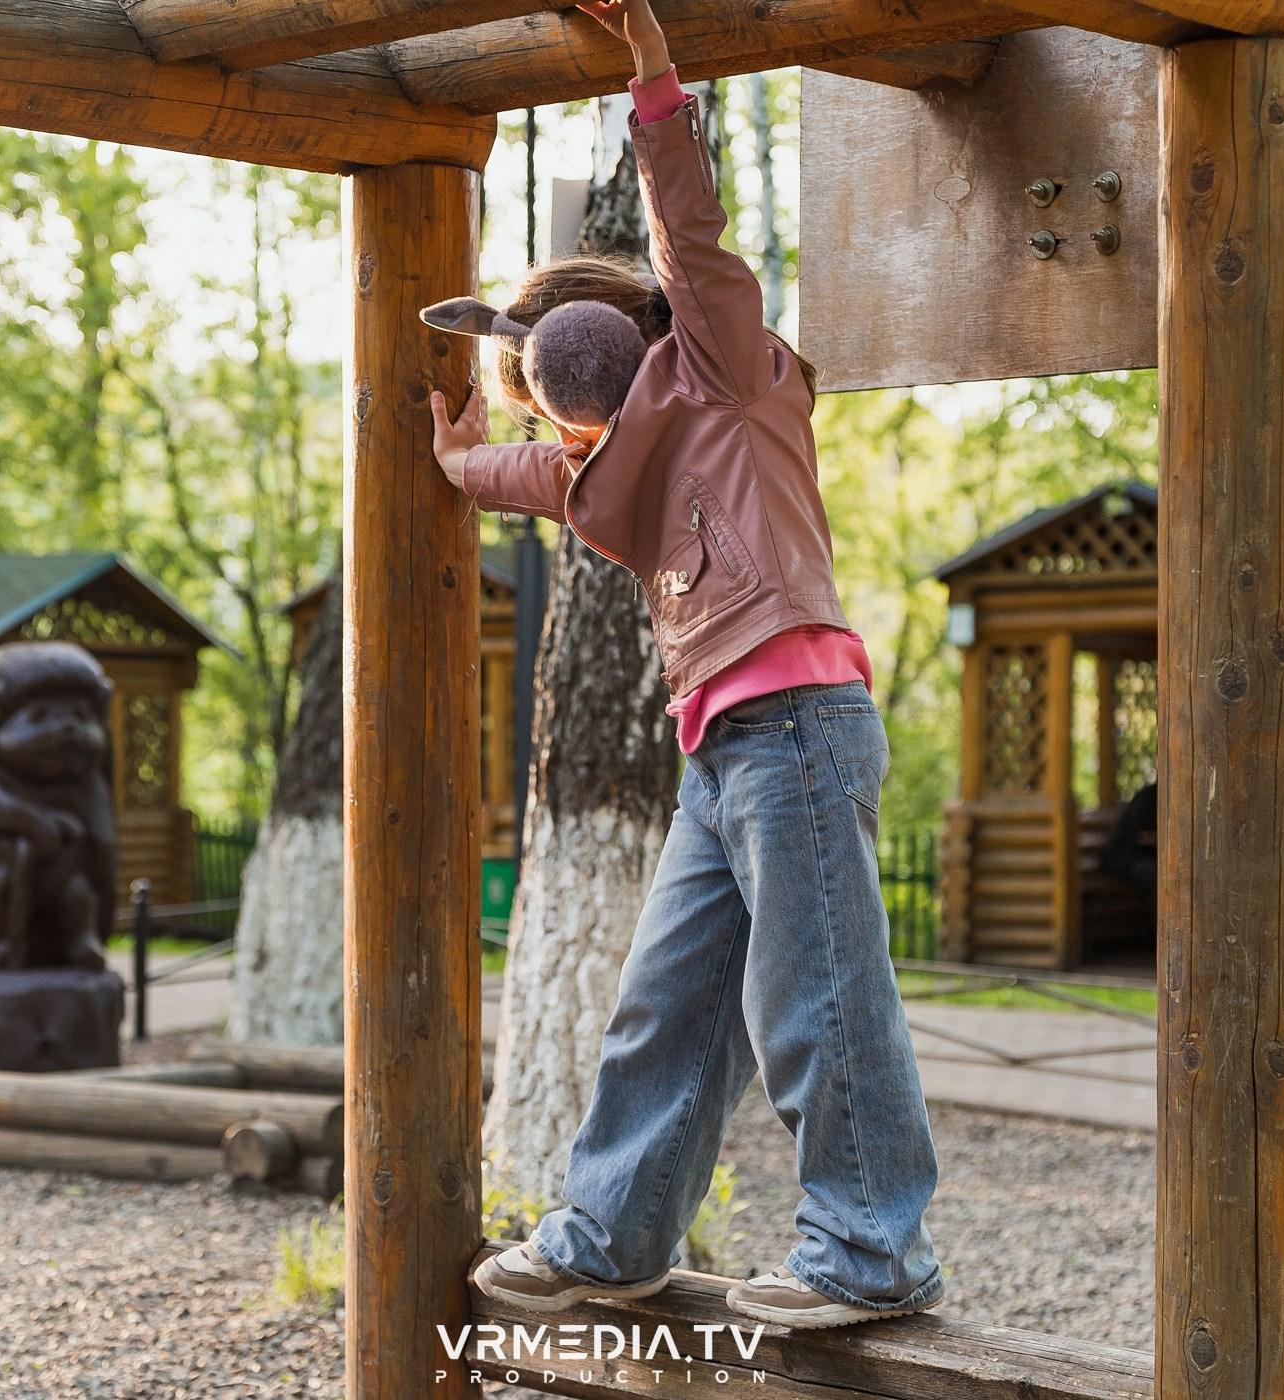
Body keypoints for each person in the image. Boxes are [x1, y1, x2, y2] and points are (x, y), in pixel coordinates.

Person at [422, 0, 943, 1330]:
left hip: (801, 720)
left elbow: (690, 232)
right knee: (669, 1006)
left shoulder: (721, 370)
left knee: (818, 1001)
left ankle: (873, 1253)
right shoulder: (614, 474)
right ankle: (612, 1236)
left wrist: (655, 72)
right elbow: (520, 478)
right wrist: (453, 452)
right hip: (722, 750)